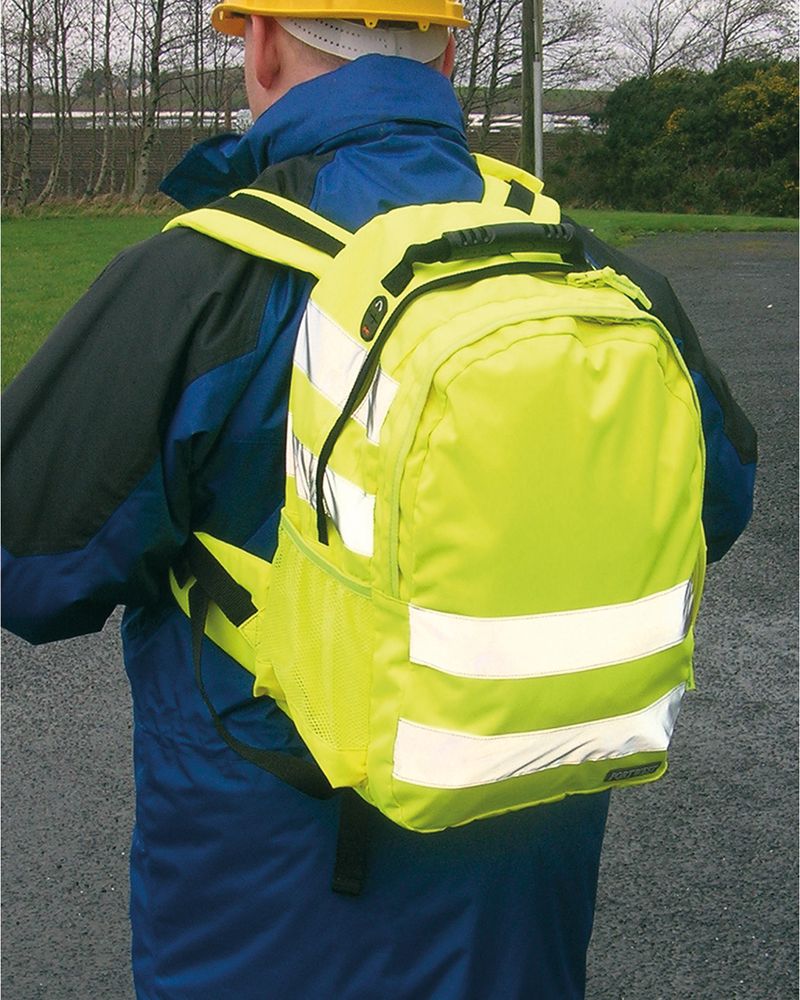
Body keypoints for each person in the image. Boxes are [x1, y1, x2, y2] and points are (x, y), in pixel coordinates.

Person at [1, 1, 756, 997]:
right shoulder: (588, 267)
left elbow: (33, 568)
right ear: (447, 51)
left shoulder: (202, 278)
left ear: (261, 43)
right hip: (521, 921)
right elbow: (720, 500)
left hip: (268, 926)